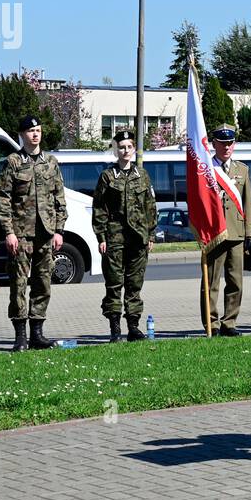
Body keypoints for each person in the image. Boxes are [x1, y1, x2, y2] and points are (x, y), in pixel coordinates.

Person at [0, 115, 68, 351]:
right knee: (18, 284)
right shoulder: (14, 162)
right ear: (22, 134)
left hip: (46, 233)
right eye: (30, 131)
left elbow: (59, 198)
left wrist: (59, 230)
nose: (35, 134)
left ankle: (37, 334)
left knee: (43, 282)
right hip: (21, 233)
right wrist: (9, 232)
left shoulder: (50, 162)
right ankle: (20, 337)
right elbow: (2, 198)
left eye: (38, 130)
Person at [92, 129, 157, 342]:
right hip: (114, 239)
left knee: (134, 284)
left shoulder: (142, 175)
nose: (126, 151)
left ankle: (134, 327)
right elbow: (99, 209)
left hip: (138, 238)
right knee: (114, 284)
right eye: (121, 147)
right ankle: (115, 329)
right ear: (115, 150)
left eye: (129, 147)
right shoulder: (108, 176)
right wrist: (101, 237)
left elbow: (150, 206)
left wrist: (151, 235)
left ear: (134, 149)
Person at [200, 126, 251, 335]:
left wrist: (249, 231)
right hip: (214, 233)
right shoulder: (205, 169)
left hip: (236, 232)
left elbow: (248, 202)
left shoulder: (242, 170)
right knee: (211, 282)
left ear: (234, 145)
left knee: (235, 281)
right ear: (214, 144)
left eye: (230, 143)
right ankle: (211, 323)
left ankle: (229, 322)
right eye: (222, 143)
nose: (226, 147)